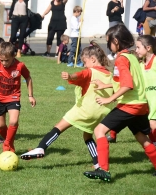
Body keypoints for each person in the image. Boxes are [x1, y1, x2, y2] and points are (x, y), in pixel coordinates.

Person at [83, 24, 156, 182]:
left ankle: (103, 170)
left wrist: (108, 99)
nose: (108, 45)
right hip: (141, 105)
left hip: (129, 105)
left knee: (99, 131)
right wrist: (106, 85)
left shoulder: (121, 59)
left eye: (109, 42)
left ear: (116, 41)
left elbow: (127, 84)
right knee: (142, 137)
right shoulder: (132, 56)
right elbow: (127, 81)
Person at [21, 41, 114, 171]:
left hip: (85, 109)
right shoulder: (110, 75)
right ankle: (98, 163)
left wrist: (70, 76)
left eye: (85, 62)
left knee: (59, 127)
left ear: (93, 60)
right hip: (101, 112)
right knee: (87, 136)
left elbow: (80, 75)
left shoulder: (90, 72)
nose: (85, 66)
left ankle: (41, 148)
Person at [135, 35, 156, 156]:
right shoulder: (140, 65)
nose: (136, 50)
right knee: (149, 125)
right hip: (148, 101)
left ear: (148, 48)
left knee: (153, 124)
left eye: (138, 47)